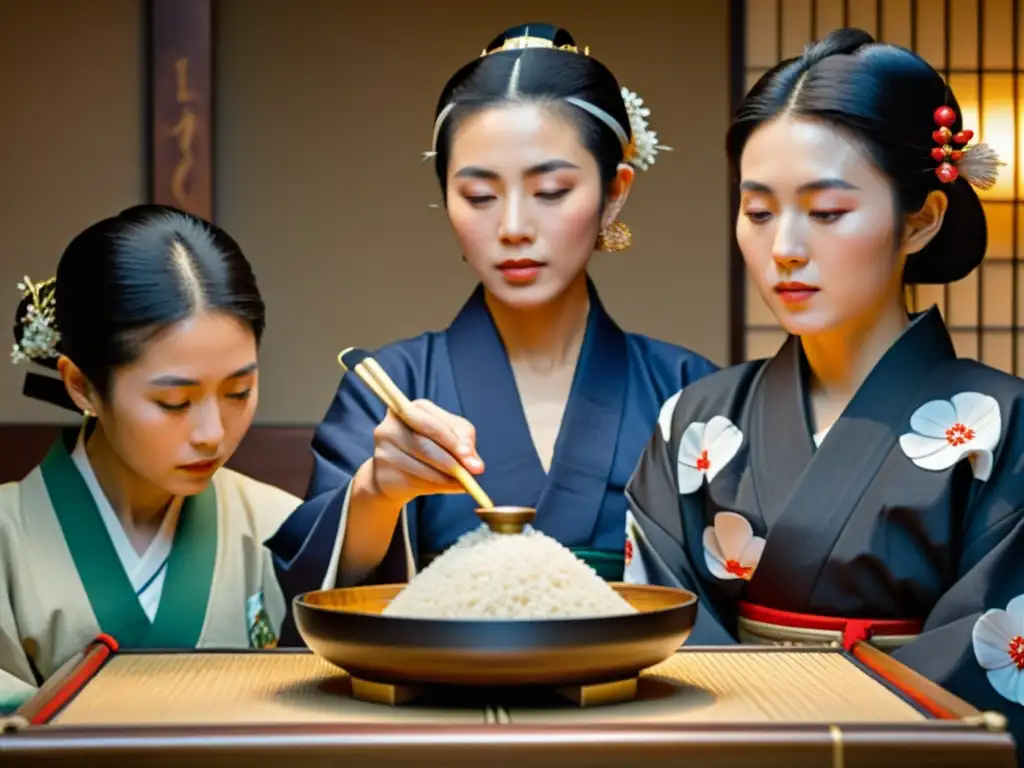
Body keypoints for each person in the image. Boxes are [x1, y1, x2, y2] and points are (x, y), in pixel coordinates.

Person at [624, 27, 1024, 741]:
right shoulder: (695, 421)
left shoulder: (1005, 424)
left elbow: (991, 663)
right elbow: (658, 634)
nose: (784, 248)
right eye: (758, 211)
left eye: (828, 212)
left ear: (922, 220)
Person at [267, 23, 717, 637]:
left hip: (629, 712)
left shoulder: (690, 392)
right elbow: (317, 601)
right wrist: (377, 493)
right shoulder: (392, 385)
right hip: (437, 707)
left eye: (551, 191)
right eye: (479, 196)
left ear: (614, 193)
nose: (512, 226)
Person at [0, 205, 300, 712]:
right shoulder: (9, 537)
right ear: (82, 386)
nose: (212, 434)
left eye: (239, 391)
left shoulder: (282, 528)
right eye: (175, 402)